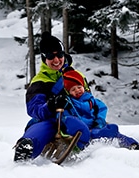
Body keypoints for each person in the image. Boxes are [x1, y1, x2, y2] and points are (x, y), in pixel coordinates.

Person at [13, 32, 91, 162]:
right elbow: (34, 109)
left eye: (59, 55)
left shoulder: (77, 76)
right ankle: (27, 148)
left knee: (102, 127)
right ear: (44, 59)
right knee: (43, 128)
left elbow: (89, 99)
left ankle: (126, 147)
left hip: (79, 117)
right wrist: (50, 105)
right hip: (53, 121)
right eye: (50, 56)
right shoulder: (40, 81)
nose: (56, 60)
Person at [61, 70, 139, 150]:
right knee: (93, 132)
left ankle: (133, 145)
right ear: (69, 92)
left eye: (79, 87)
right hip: (82, 129)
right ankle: (103, 134)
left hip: (95, 126)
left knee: (115, 134)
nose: (77, 90)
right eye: (73, 89)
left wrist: (98, 121)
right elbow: (67, 118)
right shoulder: (69, 104)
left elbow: (101, 110)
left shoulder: (92, 101)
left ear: (83, 87)